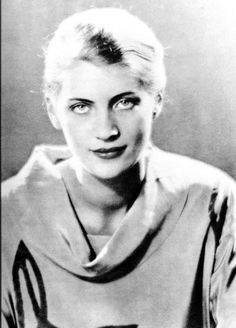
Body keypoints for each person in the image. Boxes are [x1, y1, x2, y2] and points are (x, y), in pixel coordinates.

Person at [1, 7, 236, 328]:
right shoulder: (8, 215)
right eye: (81, 107)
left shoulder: (210, 201)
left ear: (157, 100)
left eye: (124, 102)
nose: (106, 130)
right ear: (52, 110)